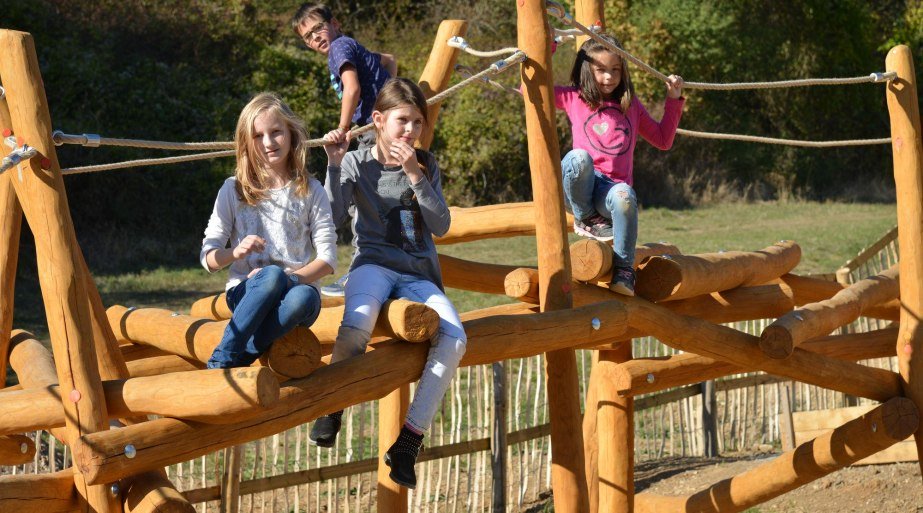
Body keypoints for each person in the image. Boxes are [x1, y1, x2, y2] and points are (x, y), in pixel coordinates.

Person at [312, 78, 466, 490]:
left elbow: (442, 224)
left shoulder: (426, 164)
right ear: (378, 120)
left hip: (418, 274)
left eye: (418, 122)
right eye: (403, 121)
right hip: (373, 264)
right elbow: (331, 217)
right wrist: (332, 162)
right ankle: (332, 406)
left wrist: (415, 174)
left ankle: (408, 443)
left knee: (455, 339)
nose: (411, 131)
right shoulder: (356, 162)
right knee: (358, 323)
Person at [200, 92, 337, 369]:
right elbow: (208, 259)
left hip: (296, 295)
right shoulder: (233, 189)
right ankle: (227, 358)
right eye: (258, 136)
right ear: (246, 143)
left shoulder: (311, 190)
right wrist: (234, 252)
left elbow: (329, 260)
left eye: (276, 132)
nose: (268, 142)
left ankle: (230, 358)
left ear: (291, 133)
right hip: (246, 292)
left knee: (299, 293)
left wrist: (287, 280)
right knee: (270, 277)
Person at [556, 34, 684, 296]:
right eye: (600, 70)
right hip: (581, 186)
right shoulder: (574, 97)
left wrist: (673, 99)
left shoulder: (630, 105)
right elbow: (531, 89)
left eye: (615, 70)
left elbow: (662, 140)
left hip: (609, 193)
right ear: (587, 70)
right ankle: (584, 217)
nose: (608, 77)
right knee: (579, 158)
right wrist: (548, 45)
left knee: (625, 194)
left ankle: (624, 270)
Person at [291, 3, 397, 296]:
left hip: (371, 135)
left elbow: (352, 89)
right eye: (308, 37)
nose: (315, 38)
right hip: (380, 130)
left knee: (360, 203)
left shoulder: (340, 48)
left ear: (335, 23)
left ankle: (360, 273)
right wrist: (391, 95)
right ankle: (373, 269)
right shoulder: (351, 46)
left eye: (318, 29)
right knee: (374, 202)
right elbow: (388, 60)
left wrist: (343, 127)